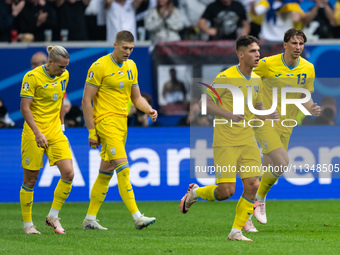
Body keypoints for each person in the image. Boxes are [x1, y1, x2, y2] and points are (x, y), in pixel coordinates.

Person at [180, 35, 278, 241]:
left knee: (253, 185)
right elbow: (204, 102)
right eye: (252, 51)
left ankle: (235, 231)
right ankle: (195, 194)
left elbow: (257, 107)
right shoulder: (226, 77)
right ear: (240, 54)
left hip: (249, 141)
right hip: (226, 141)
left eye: (258, 50)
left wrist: (268, 114)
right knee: (226, 191)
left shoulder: (257, 80)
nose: (258, 54)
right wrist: (228, 115)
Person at [82, 30, 158, 230]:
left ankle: (90, 219)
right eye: (125, 48)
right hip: (105, 122)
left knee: (105, 172)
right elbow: (86, 100)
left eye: (131, 49)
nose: (128, 52)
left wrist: (148, 109)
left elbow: (136, 98)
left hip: (122, 123)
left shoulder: (131, 66)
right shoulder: (99, 66)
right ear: (115, 45)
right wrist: (92, 131)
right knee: (123, 169)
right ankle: (137, 216)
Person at [250, 28, 321, 226]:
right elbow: (245, 79)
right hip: (264, 121)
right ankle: (261, 200)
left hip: (286, 125)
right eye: (294, 43)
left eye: (301, 44)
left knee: (264, 172)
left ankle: (246, 215)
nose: (298, 47)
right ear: (285, 44)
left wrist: (312, 108)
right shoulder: (266, 64)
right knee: (282, 163)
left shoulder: (308, 68)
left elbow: (303, 96)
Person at [20, 45, 73, 234]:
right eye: (60, 67)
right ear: (49, 62)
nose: (63, 70)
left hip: (55, 131)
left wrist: (62, 125)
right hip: (33, 132)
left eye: (66, 67)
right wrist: (37, 133)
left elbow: (59, 101)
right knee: (31, 179)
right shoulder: (32, 78)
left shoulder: (63, 76)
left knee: (69, 173)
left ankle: (52, 216)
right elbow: (25, 108)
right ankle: (28, 225)